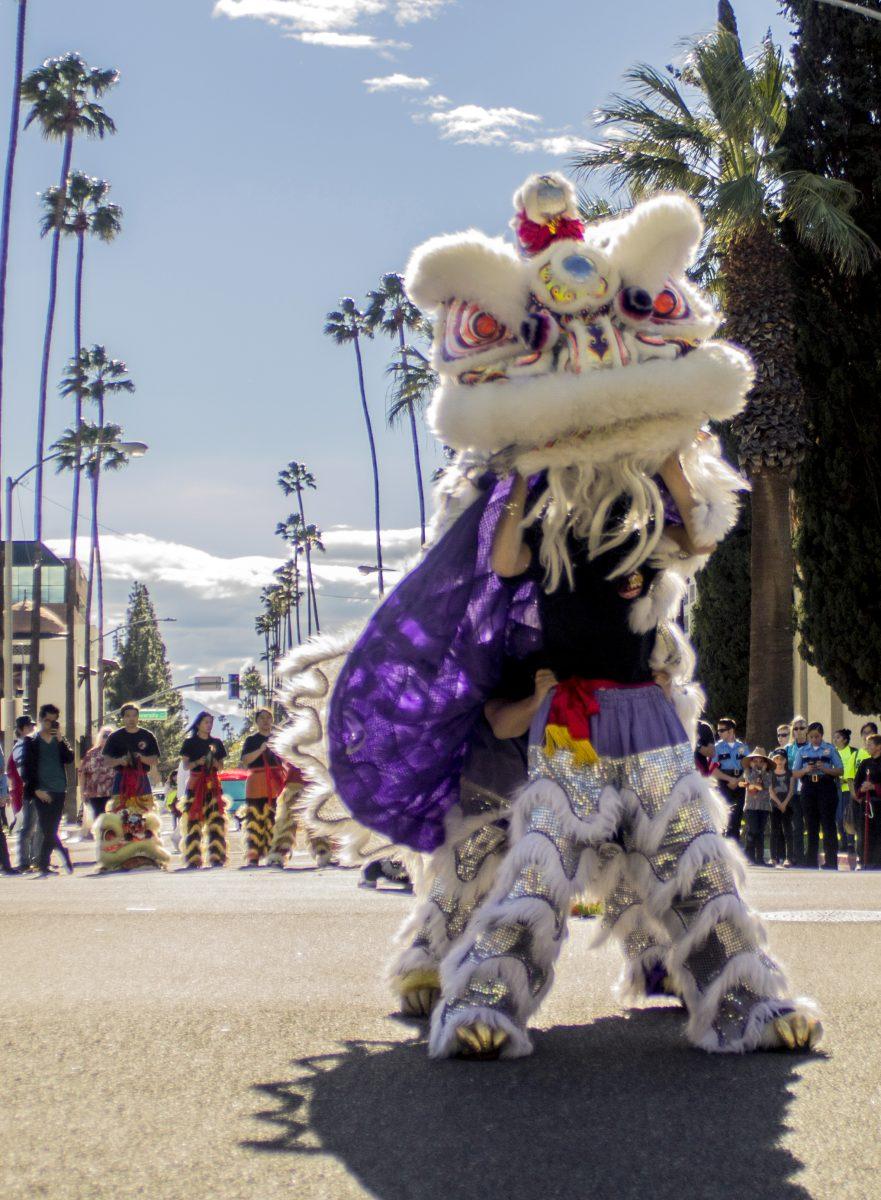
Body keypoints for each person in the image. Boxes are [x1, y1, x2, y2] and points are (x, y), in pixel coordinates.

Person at [320, 173, 821, 1059]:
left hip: (647, 710)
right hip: (568, 718)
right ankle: (477, 998)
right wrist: (519, 475)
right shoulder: (540, 511)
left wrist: (669, 455)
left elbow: (696, 532)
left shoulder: (641, 513)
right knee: (532, 856)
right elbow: (504, 563)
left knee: (695, 856)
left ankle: (739, 1000)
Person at [98, 705, 169, 872]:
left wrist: (141, 758)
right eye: (127, 715)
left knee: (145, 817)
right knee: (119, 818)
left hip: (141, 781)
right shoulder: (115, 737)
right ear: (122, 718)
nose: (131, 718)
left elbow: (154, 760)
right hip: (121, 780)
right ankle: (118, 858)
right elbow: (106, 761)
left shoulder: (147, 735)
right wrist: (121, 761)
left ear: (138, 717)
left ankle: (149, 856)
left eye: (134, 715)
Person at [19, 704, 74, 877]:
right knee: (45, 828)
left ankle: (44, 864)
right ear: (41, 719)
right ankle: (58, 855)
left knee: (51, 828)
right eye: (47, 720)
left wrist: (59, 739)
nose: (50, 723)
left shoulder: (59, 740)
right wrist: (35, 790)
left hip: (59, 788)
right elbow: (26, 769)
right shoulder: (31, 741)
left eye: (54, 721)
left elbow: (69, 758)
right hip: (40, 790)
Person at [793, 722, 843, 870]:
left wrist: (825, 768)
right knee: (811, 824)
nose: (815, 739)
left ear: (822, 735)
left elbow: (840, 770)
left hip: (826, 786)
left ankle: (831, 861)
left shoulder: (830, 749)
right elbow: (795, 773)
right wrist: (806, 769)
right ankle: (811, 861)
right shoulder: (802, 751)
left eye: (817, 736)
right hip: (809, 787)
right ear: (808, 736)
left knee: (828, 824)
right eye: (812, 736)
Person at [239, 708, 285, 867]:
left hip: (276, 782)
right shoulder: (251, 740)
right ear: (256, 722)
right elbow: (245, 760)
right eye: (262, 718)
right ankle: (253, 855)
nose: (266, 721)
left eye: (269, 717)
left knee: (276, 819)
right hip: (256, 782)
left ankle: (275, 855)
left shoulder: (279, 738)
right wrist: (261, 749)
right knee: (255, 818)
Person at [180, 712, 227, 868]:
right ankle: (193, 857)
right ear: (198, 724)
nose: (209, 725)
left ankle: (217, 856)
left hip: (213, 783)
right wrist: (198, 762)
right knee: (193, 820)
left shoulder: (217, 743)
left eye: (210, 722)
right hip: (196, 782)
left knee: (216, 820)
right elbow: (186, 765)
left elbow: (221, 767)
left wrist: (213, 762)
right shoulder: (189, 743)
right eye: (206, 722)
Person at [10, 715, 38, 870]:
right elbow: (23, 773)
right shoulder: (21, 746)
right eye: (28, 727)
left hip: (33, 790)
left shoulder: (31, 745)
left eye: (33, 726)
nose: (32, 729)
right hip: (29, 792)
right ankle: (23, 861)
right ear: (20, 730)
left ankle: (35, 859)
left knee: (36, 827)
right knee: (28, 827)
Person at [833, 728, 863, 871]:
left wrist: (847, 780)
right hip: (837, 789)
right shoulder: (833, 752)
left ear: (845, 740)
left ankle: (851, 843)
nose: (835, 740)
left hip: (849, 789)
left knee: (848, 817)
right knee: (839, 817)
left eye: (838, 738)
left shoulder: (853, 752)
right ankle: (843, 842)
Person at [714, 717, 748, 842]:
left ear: (731, 731)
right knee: (725, 816)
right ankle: (724, 847)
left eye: (722, 730)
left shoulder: (742, 747)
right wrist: (729, 779)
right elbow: (712, 769)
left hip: (740, 782)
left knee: (738, 815)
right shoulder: (717, 748)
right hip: (724, 783)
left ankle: (735, 846)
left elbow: (748, 767)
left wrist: (738, 779)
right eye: (718, 731)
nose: (719, 733)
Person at [741, 748, 774, 866]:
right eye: (755, 761)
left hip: (764, 806)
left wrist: (764, 771)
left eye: (761, 761)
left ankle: (760, 858)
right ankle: (749, 856)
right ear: (751, 761)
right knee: (752, 830)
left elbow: (767, 784)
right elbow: (751, 781)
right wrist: (754, 769)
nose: (758, 763)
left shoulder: (768, 773)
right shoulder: (747, 771)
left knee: (760, 832)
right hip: (751, 806)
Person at [78, 726, 116, 828]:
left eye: (110, 736)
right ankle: (101, 842)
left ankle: (110, 843)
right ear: (100, 737)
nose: (107, 738)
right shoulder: (91, 754)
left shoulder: (117, 753)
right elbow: (82, 773)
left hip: (113, 793)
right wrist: (82, 792)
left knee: (112, 823)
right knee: (99, 822)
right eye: (104, 736)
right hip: (95, 794)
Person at [853, 734, 881, 869]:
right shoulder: (865, 763)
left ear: (879, 746)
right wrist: (862, 788)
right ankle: (865, 860)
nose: (867, 747)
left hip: (879, 803)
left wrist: (874, 787)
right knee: (864, 834)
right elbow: (857, 783)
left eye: (870, 744)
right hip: (867, 805)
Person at [785, 716, 810, 865]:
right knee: (796, 825)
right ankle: (796, 857)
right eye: (796, 728)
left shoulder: (811, 746)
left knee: (810, 824)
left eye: (802, 728)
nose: (799, 731)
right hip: (792, 791)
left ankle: (809, 856)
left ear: (806, 730)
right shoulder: (788, 749)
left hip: (809, 790)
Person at [769, 747, 795, 867]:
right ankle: (773, 857)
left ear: (785, 760)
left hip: (787, 805)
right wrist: (779, 803)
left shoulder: (790, 773)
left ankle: (788, 857)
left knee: (787, 831)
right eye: (777, 758)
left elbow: (791, 791)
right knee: (774, 831)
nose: (779, 761)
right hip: (774, 805)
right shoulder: (771, 773)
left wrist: (784, 803)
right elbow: (770, 791)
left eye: (782, 759)